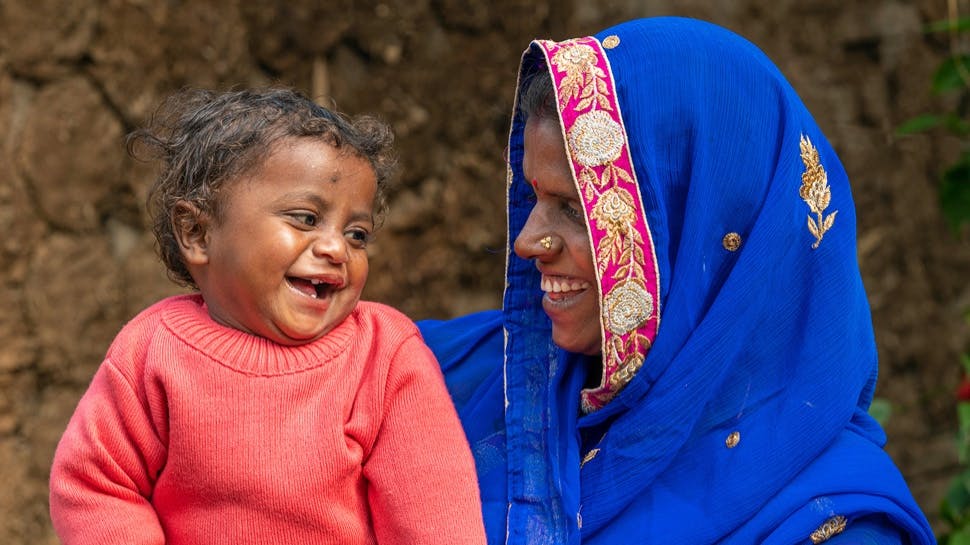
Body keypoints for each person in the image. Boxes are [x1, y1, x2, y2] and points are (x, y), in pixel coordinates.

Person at [419, 17, 935, 544]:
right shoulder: (469, 374)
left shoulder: (830, 524)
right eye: (535, 198)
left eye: (576, 210)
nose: (527, 242)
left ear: (701, 231)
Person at [49, 87, 486, 545]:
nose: (337, 248)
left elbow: (437, 517)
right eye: (304, 218)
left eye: (357, 234)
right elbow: (95, 485)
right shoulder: (152, 350)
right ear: (197, 233)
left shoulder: (385, 356)